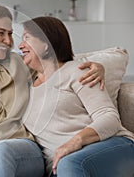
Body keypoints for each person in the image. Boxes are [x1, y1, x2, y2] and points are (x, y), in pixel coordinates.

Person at [0, 2, 105, 177]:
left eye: (10, 34)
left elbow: (58, 63)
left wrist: (98, 66)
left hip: (21, 147)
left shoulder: (18, 63)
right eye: (0, 33)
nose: (9, 41)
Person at [19, 16, 134, 177]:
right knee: (67, 164)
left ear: (46, 44)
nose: (20, 45)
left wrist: (74, 142)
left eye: (27, 38)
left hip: (110, 145)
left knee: (69, 162)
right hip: (64, 163)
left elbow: (109, 117)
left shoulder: (77, 71)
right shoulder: (25, 86)